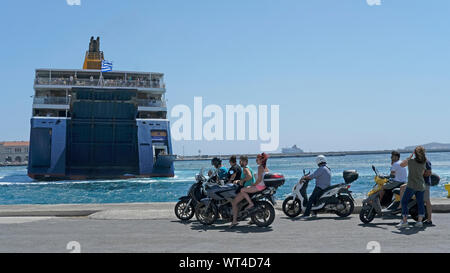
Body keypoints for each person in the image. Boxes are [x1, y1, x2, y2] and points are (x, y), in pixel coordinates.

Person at [230, 153, 269, 228]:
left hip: (255, 187)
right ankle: (252, 218)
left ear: (244, 161)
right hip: (259, 186)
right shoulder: (252, 167)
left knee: (234, 202)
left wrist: (242, 181)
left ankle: (234, 221)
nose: (239, 162)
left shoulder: (246, 168)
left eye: (240, 161)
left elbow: (250, 177)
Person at [396, 146, 427, 229]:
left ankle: (405, 221)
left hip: (412, 185)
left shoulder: (411, 161)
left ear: (415, 153)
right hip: (421, 185)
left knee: (404, 202)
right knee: (420, 203)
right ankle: (420, 222)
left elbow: (401, 165)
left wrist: (409, 157)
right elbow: (423, 173)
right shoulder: (424, 162)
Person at [299, 155, 332, 219]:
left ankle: (306, 214)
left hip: (320, 187)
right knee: (315, 199)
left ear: (318, 161)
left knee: (311, 199)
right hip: (326, 187)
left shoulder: (321, 169)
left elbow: (312, 176)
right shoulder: (327, 168)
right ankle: (314, 213)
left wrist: (304, 177)